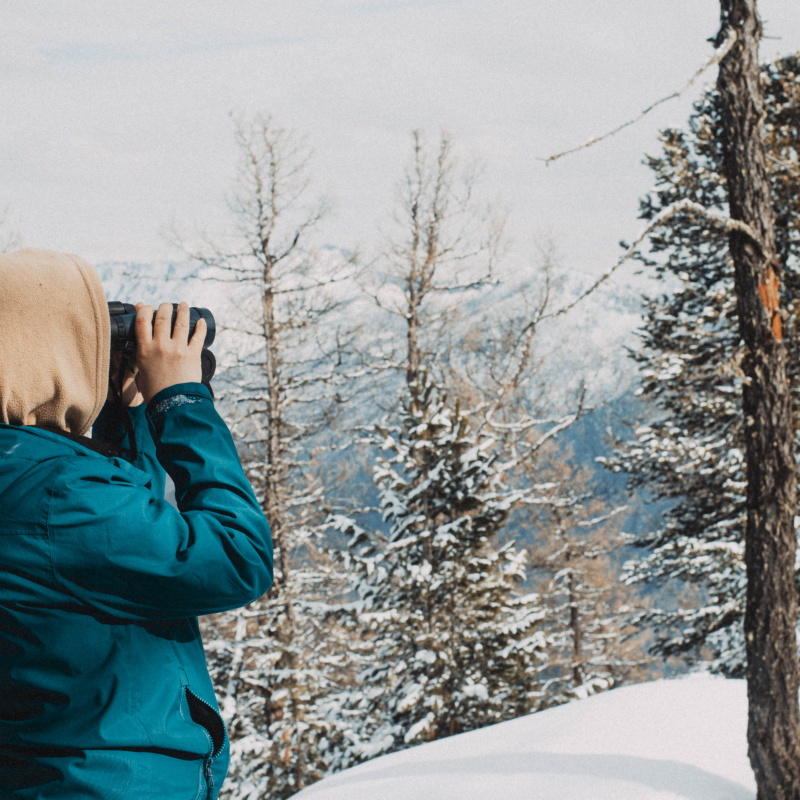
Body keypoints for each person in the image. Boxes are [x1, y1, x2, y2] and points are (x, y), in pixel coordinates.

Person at [0, 248, 273, 799]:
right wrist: (181, 401)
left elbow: (120, 549)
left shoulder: (27, 476)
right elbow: (238, 557)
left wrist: (126, 416)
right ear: (55, 350)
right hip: (105, 784)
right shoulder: (60, 496)